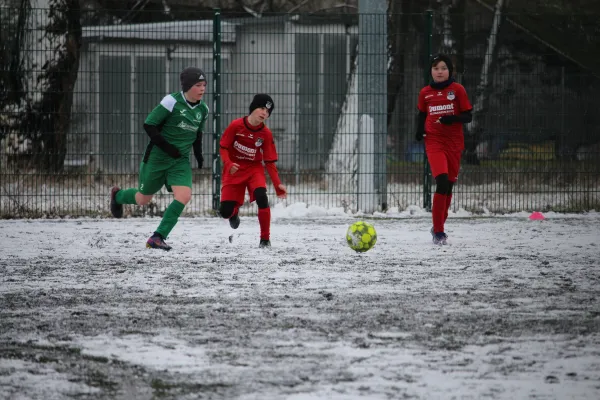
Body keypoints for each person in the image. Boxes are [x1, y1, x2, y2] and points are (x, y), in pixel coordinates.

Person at [109, 67, 209, 251]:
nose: (202, 89)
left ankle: (158, 237)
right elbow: (149, 125)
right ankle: (118, 196)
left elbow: (198, 134)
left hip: (179, 161)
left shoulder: (203, 109)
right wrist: (167, 148)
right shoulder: (171, 101)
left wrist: (199, 154)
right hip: (157, 158)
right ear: (187, 86)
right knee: (143, 199)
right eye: (198, 85)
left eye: (204, 85)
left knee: (184, 196)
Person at [415, 54, 473, 245]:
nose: (439, 72)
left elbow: (468, 116)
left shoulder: (457, 90)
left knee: (448, 186)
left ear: (450, 71)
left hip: (454, 144)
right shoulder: (425, 92)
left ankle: (438, 225)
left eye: (443, 68)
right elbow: (422, 114)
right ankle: (439, 232)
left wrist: (451, 119)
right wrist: (419, 130)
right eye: (436, 68)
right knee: (441, 181)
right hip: (434, 142)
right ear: (431, 71)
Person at [218, 94, 287, 248]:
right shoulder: (236, 125)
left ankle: (265, 239)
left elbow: (269, 162)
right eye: (261, 108)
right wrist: (228, 163)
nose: (264, 113)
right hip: (234, 169)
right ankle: (234, 213)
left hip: (253, 169)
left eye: (268, 111)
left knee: (262, 197)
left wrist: (278, 185)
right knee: (225, 212)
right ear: (253, 108)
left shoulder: (266, 134)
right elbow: (223, 147)